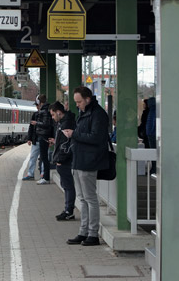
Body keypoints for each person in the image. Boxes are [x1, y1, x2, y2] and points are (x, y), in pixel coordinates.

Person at [64, 86, 109, 246]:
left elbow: (96, 137)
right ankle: (83, 232)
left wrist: (74, 134)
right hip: (79, 160)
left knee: (90, 198)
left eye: (79, 102)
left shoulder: (98, 114)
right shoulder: (85, 113)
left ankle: (93, 234)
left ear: (88, 99)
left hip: (89, 161)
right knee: (82, 198)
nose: (77, 105)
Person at [49, 101, 76, 220]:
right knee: (66, 185)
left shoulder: (66, 124)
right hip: (64, 160)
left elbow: (66, 145)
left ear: (59, 112)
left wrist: (60, 159)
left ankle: (68, 211)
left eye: (53, 115)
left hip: (65, 161)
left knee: (68, 186)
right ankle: (67, 209)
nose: (52, 117)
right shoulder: (63, 123)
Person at [22, 96, 45, 181]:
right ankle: (30, 174)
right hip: (36, 140)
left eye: (37, 104)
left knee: (43, 158)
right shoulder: (35, 114)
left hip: (43, 139)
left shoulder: (46, 114)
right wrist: (29, 138)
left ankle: (43, 173)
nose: (36, 106)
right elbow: (31, 127)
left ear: (40, 104)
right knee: (32, 157)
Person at [34, 94, 54, 185]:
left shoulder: (44, 111)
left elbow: (46, 124)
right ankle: (45, 176)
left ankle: (46, 177)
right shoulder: (46, 110)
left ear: (39, 102)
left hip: (43, 136)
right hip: (44, 135)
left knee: (44, 157)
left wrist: (36, 123)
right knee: (44, 157)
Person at [145, 97, 157, 174]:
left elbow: (151, 123)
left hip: (152, 134)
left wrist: (149, 132)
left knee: (153, 152)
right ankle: (154, 168)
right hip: (152, 133)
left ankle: (154, 169)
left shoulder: (152, 111)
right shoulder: (155, 110)